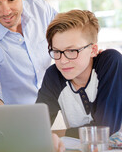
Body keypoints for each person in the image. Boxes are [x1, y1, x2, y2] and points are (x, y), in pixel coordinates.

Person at [36, 10, 122, 138]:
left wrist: (60, 133)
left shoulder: (110, 62)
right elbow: (36, 127)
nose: (63, 61)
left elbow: (105, 130)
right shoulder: (53, 76)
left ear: (93, 50)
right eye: (56, 51)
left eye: (72, 51)